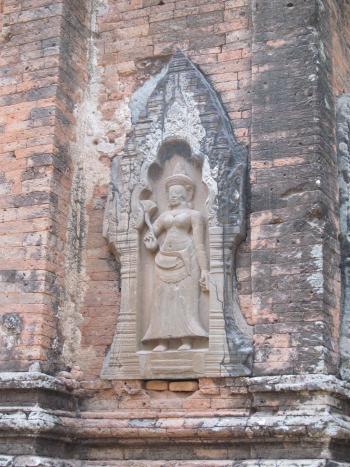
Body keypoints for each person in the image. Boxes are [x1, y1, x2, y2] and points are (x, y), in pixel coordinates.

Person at [142, 171, 209, 352]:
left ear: (185, 194)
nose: (171, 197)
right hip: (164, 259)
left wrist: (204, 270)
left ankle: (186, 339)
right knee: (162, 300)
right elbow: (151, 236)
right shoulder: (163, 217)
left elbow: (200, 243)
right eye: (169, 193)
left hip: (186, 259)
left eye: (175, 193)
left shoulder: (194, 215)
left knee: (185, 300)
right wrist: (150, 242)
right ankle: (162, 340)